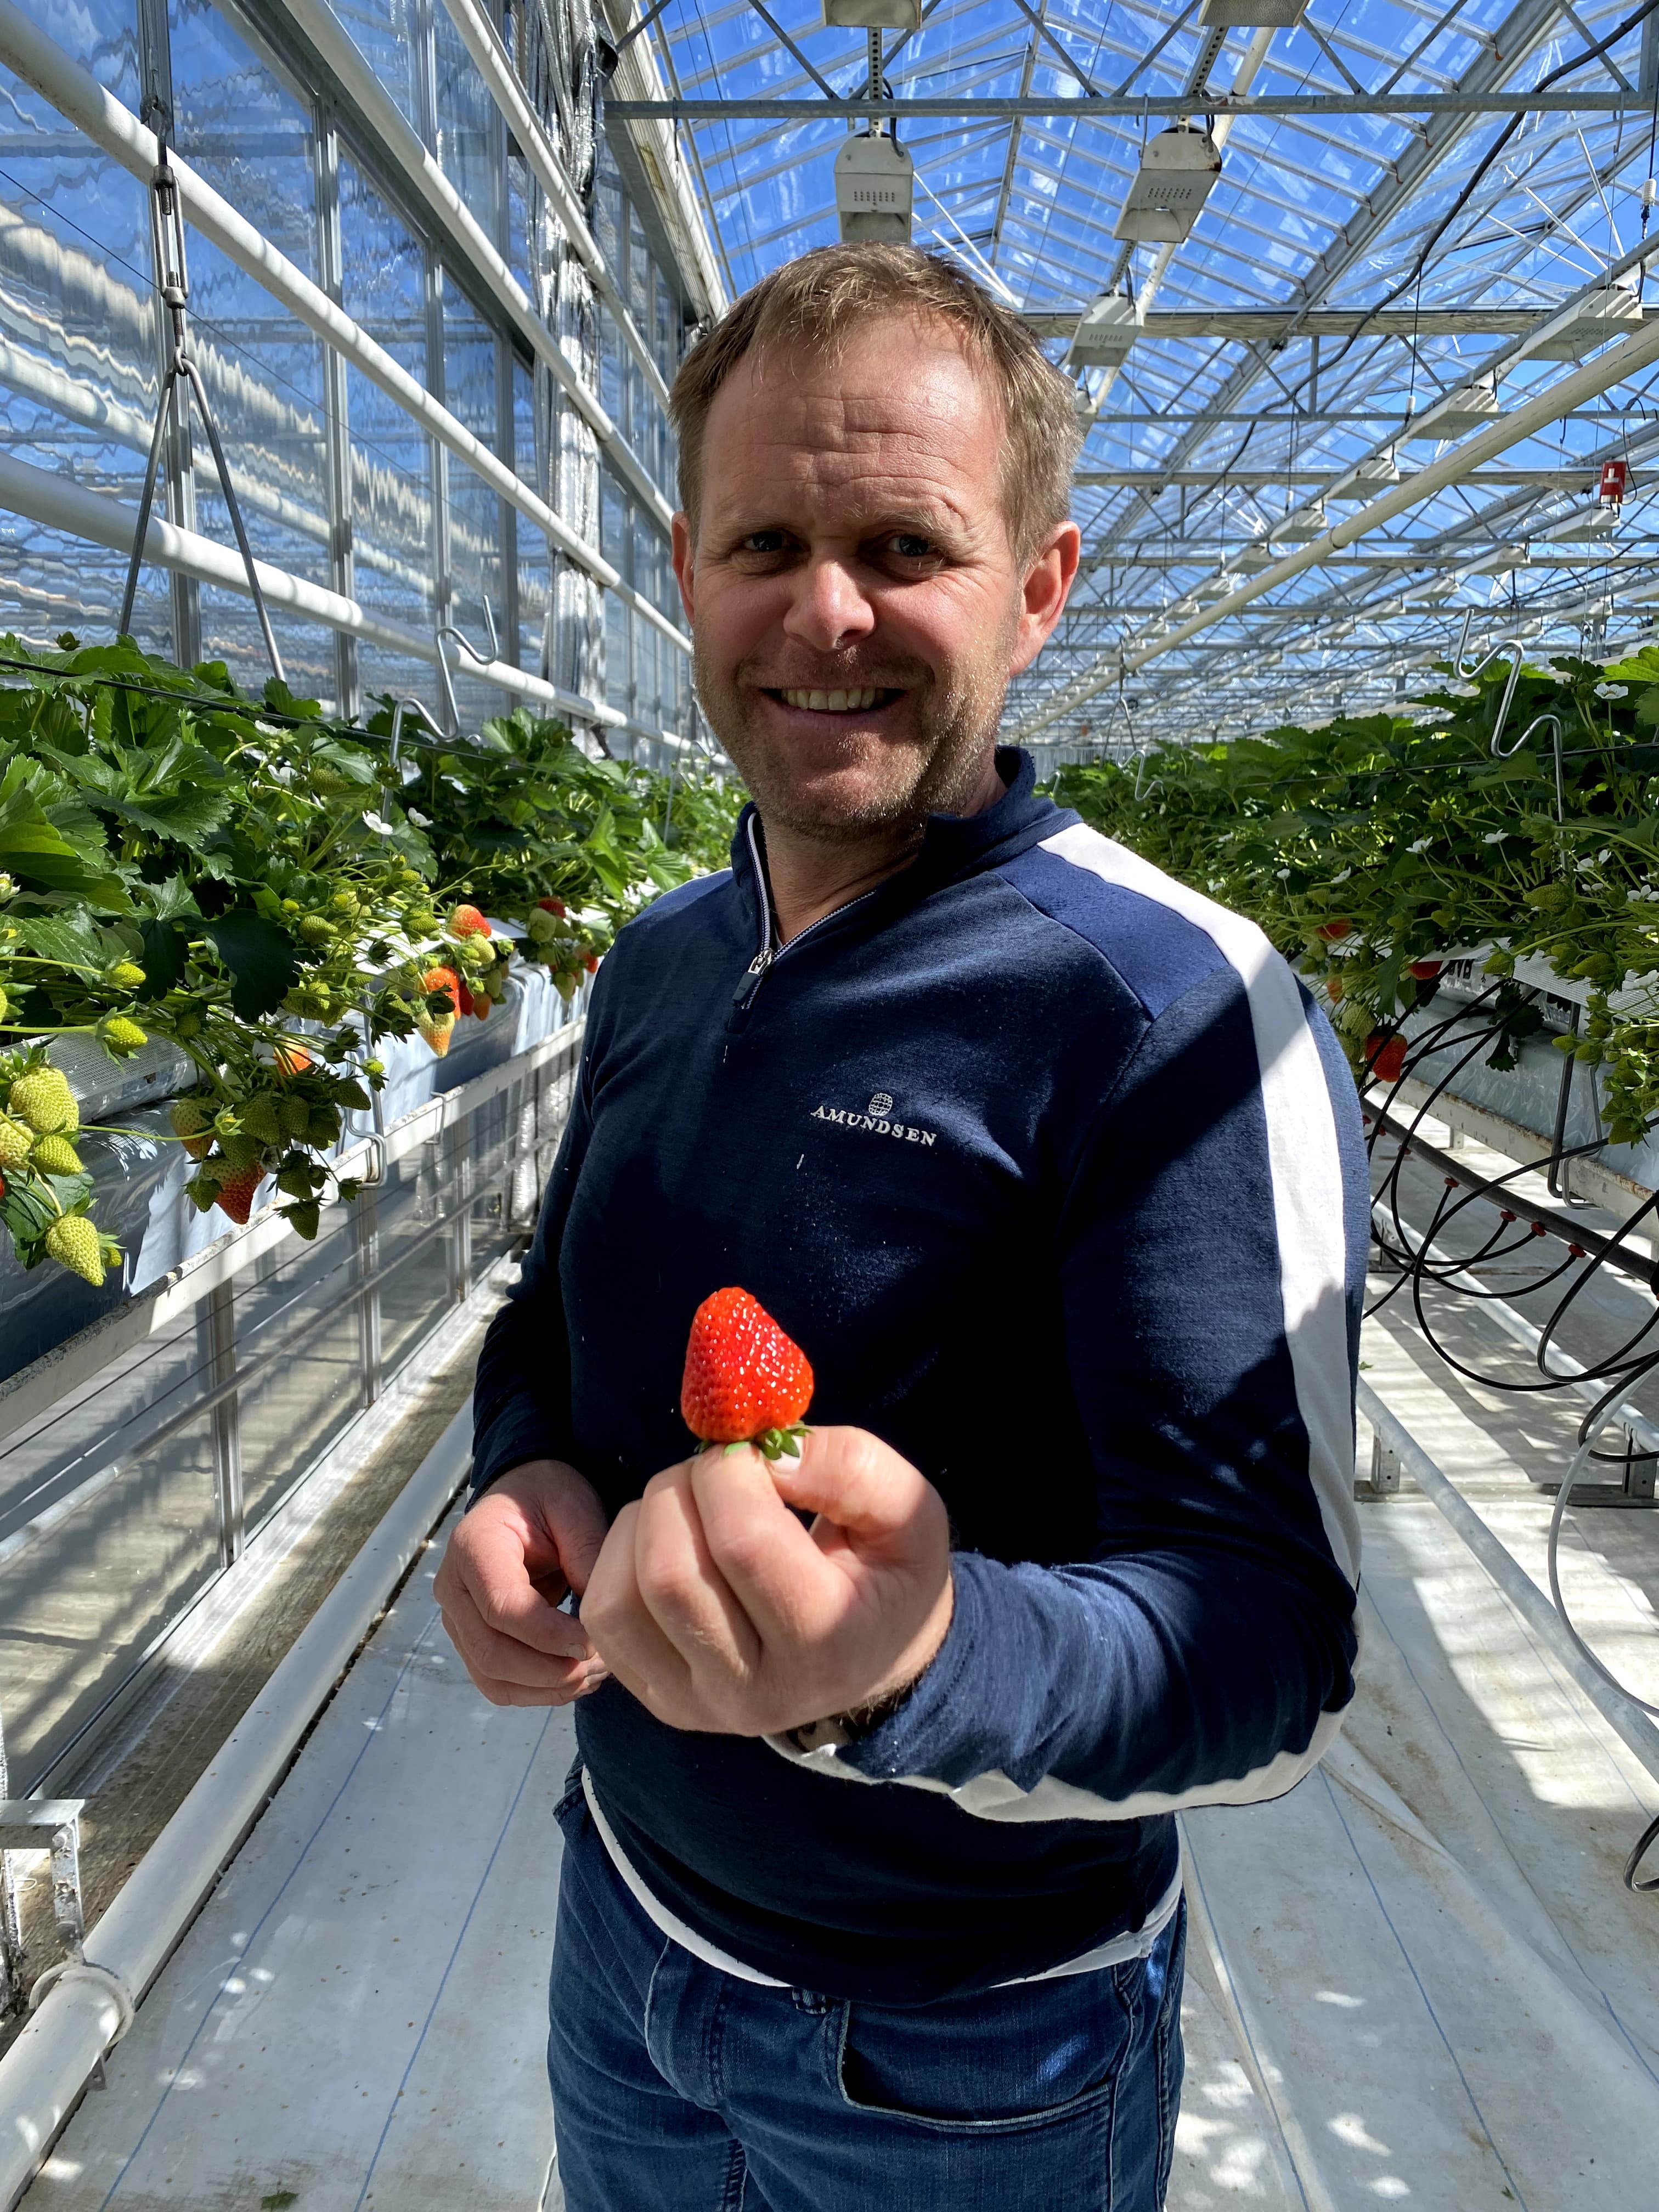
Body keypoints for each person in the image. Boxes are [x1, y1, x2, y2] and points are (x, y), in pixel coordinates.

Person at [435, 244, 1365, 2212]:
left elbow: (1264, 1656)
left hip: (964, 2045)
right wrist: (521, 1467)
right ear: (687, 570)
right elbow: (553, 1317)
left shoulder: (1166, 1010)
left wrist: (914, 1655)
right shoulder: (666, 957)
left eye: (907, 547)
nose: (826, 611)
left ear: (1039, 590)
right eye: (767, 536)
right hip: (630, 1930)